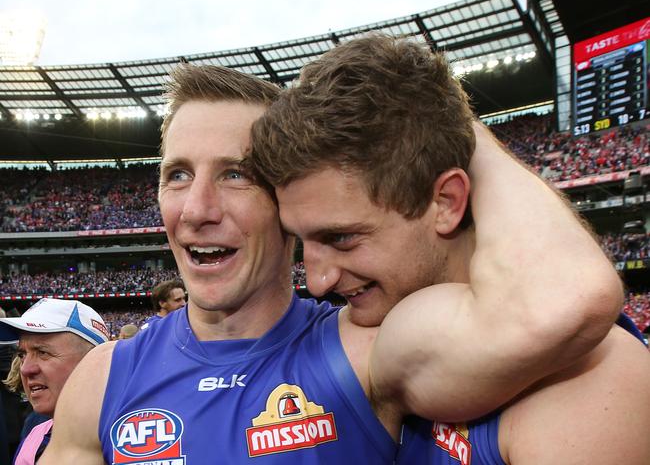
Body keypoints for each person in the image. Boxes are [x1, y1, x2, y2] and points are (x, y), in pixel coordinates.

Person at [42, 56, 620, 464]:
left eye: (236, 174)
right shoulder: (102, 381)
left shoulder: (370, 347)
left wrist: (453, 122)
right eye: (177, 175)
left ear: (286, 200)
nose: (197, 209)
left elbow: (564, 302)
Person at [249, 34, 650, 463]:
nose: (317, 280)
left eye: (342, 237)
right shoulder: (373, 330)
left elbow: (570, 302)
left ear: (445, 202)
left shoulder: (595, 384)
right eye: (301, 242)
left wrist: (463, 122)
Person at [0, 298, 109, 464]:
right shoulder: (34, 437)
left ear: (94, 359)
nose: (25, 369)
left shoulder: (137, 437)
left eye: (43, 352)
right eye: (22, 355)